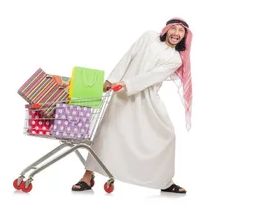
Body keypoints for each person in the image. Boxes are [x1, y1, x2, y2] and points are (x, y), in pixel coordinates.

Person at [71, 17, 193, 194]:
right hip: (121, 96)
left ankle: (165, 181)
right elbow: (129, 56)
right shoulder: (149, 36)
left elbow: (151, 77)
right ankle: (87, 177)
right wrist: (111, 79)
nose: (176, 33)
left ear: (185, 36)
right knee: (106, 133)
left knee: (167, 136)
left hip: (147, 100)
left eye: (181, 31)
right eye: (173, 28)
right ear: (166, 30)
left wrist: (126, 85)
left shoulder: (175, 59)